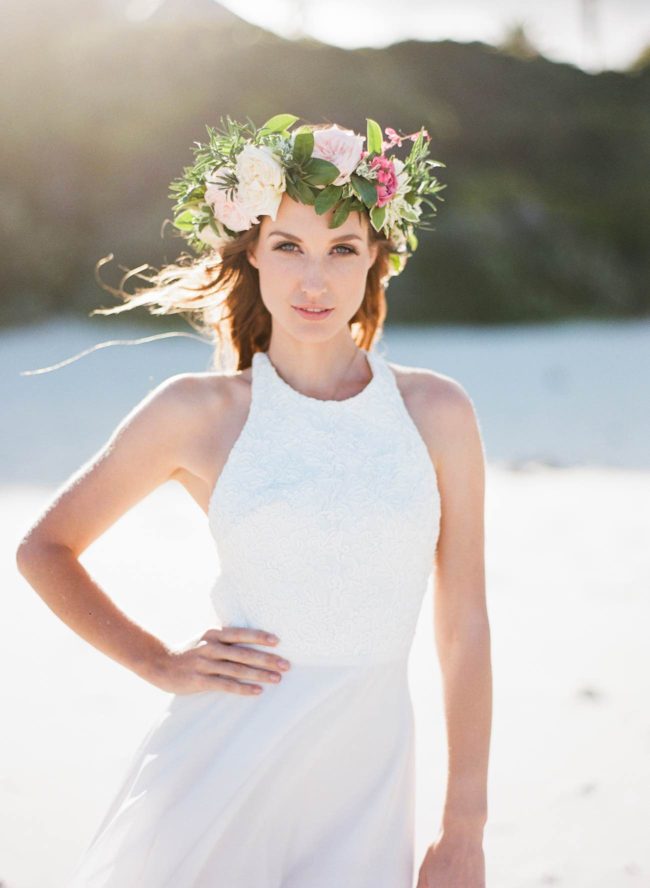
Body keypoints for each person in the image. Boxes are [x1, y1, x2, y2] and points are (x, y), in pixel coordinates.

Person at [15, 113, 492, 887]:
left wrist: (463, 827)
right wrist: (157, 660)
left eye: (342, 249)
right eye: (289, 247)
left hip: (369, 784)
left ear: (376, 258)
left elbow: (464, 624)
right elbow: (43, 548)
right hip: (221, 772)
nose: (315, 279)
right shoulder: (198, 412)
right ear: (253, 255)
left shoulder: (436, 413)